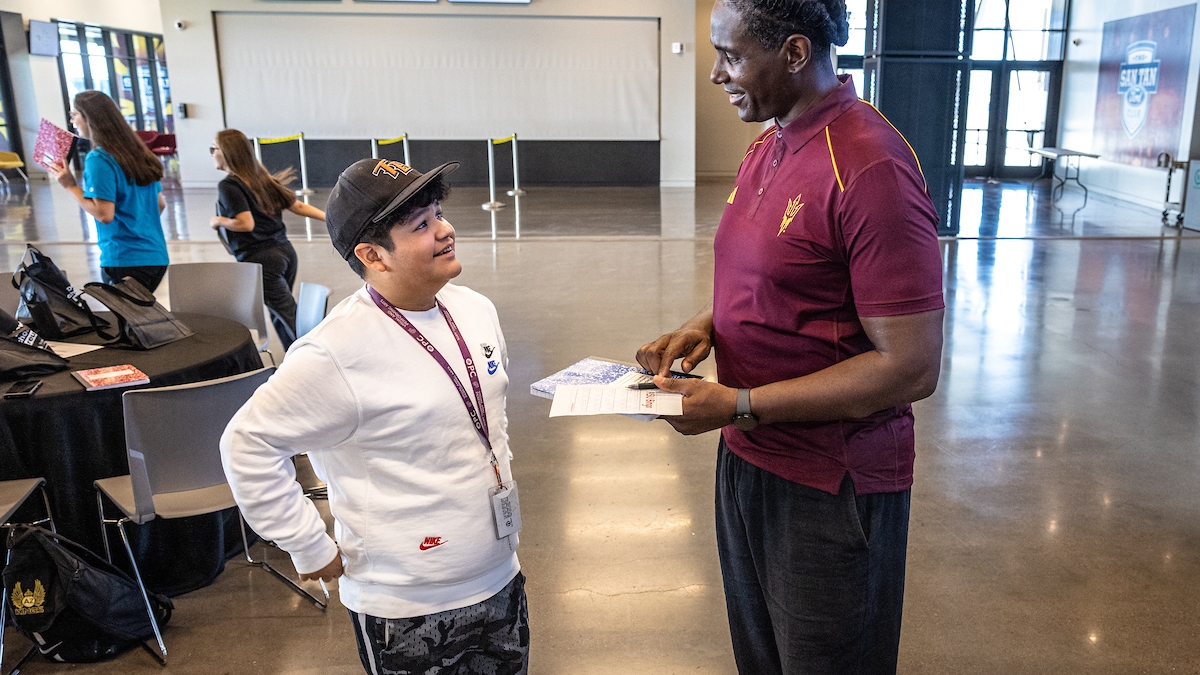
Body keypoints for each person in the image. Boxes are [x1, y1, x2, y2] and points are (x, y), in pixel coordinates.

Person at [636, 1, 944, 673]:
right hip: (750, 460)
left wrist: (741, 402)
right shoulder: (769, 142)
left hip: (830, 486)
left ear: (797, 53)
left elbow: (911, 367)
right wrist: (706, 326)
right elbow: (776, 274)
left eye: (733, 56)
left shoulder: (869, 167)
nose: (717, 73)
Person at [220, 158, 529, 675]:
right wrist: (308, 546)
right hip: (406, 609)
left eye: (438, 213)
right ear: (372, 255)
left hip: (500, 578)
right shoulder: (334, 354)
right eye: (422, 225)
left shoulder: (475, 309)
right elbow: (246, 445)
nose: (445, 229)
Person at [209, 129, 326, 350]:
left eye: (214, 148)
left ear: (226, 152)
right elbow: (298, 206)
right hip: (285, 252)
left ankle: (315, 358)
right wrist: (328, 218)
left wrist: (218, 221)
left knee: (288, 315)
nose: (212, 153)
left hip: (262, 260)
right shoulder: (262, 179)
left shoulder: (229, 185)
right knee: (279, 312)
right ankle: (295, 359)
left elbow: (246, 224)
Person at [47, 91, 169, 291]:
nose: (73, 121)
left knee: (124, 321)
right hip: (156, 256)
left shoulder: (99, 159)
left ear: (90, 118)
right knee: (138, 320)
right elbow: (160, 204)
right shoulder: (139, 154)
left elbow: (104, 214)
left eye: (75, 115)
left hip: (124, 259)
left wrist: (70, 186)